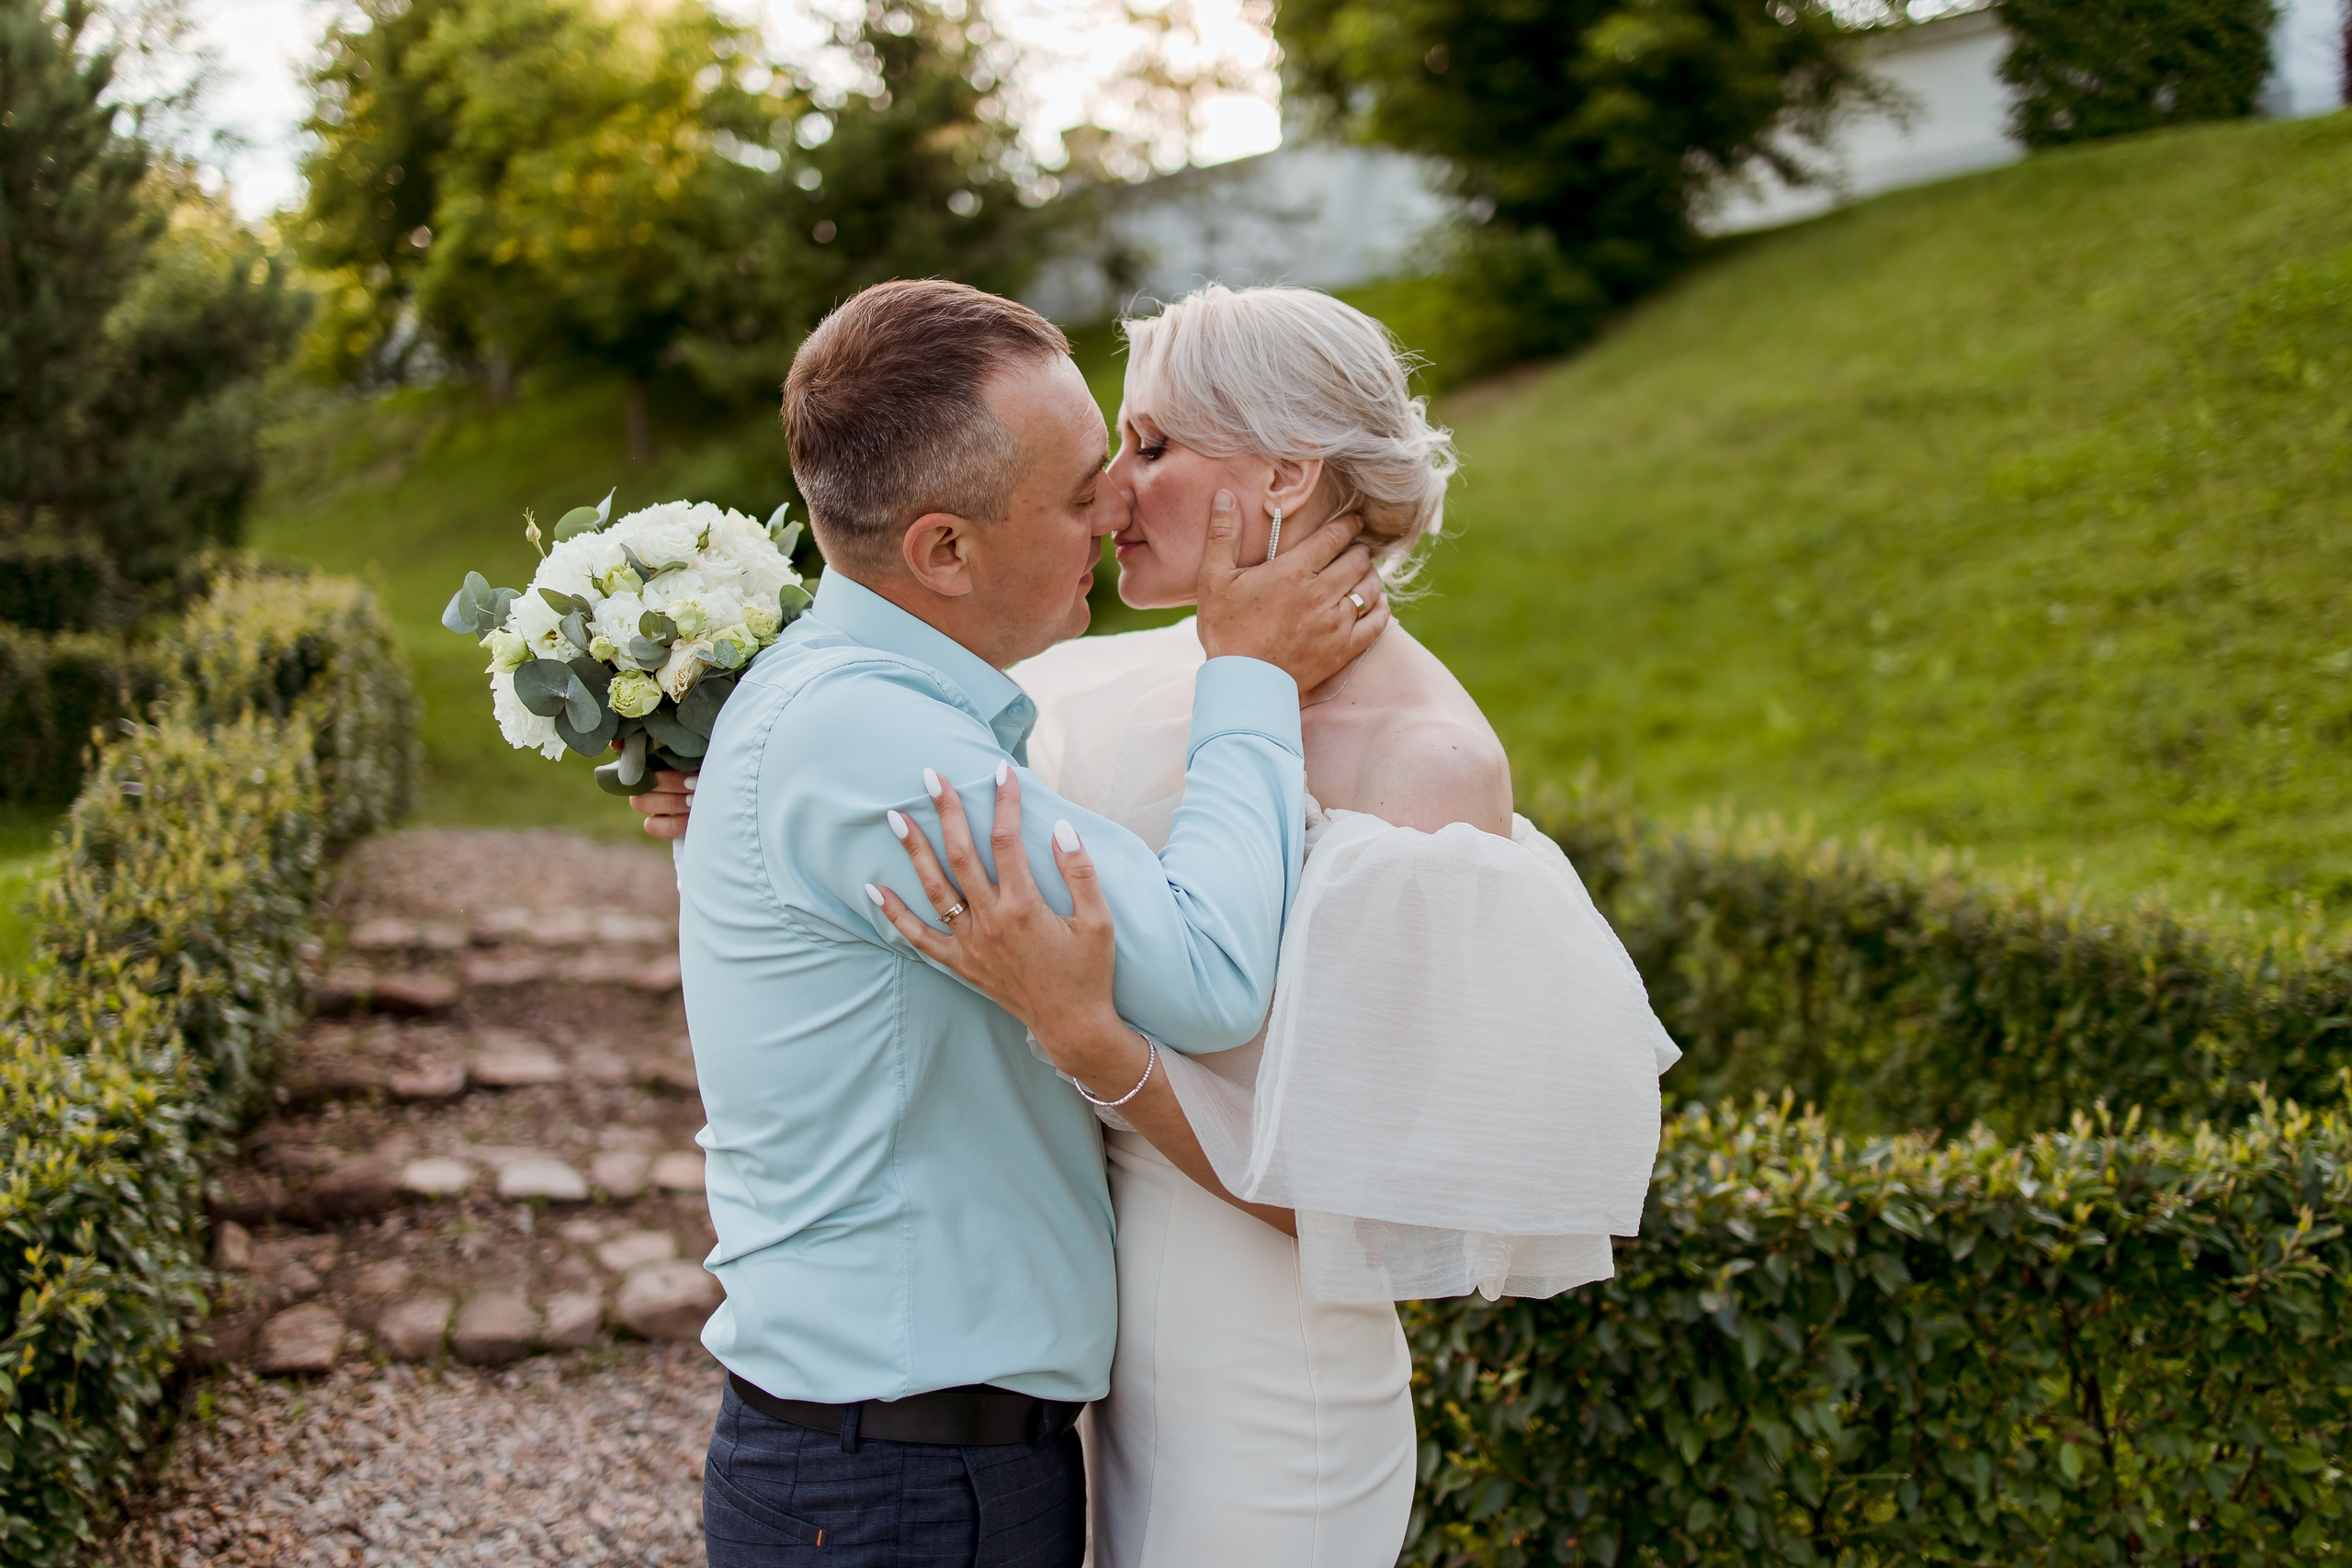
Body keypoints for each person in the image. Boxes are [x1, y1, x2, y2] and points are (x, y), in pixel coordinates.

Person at [642, 283, 1679, 1567]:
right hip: (1091, 1393)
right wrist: (738, 779)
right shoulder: (1110, 688)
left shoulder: (1428, 764)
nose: (1116, 497)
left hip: (1263, 1385)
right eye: (1103, 462)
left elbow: (1366, 1196)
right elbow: (889, 775)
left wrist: (1097, 1047)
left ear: (1286, 478)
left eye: (1148, 449)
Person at [673, 279, 1390, 1568]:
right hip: (902, 1493)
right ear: (944, 552)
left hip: (915, 1463)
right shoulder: (874, 742)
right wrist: (1250, 675)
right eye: (1077, 490)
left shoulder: (866, 708)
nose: (1117, 500)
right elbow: (1216, 975)